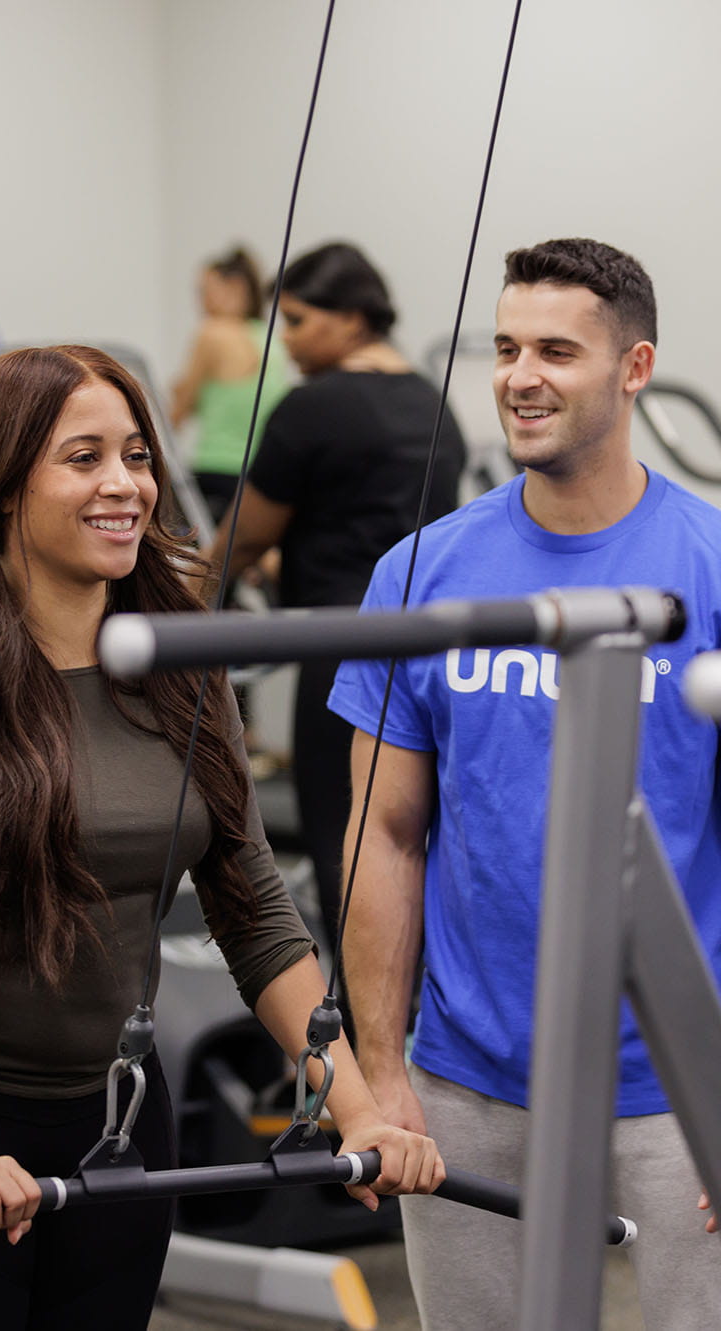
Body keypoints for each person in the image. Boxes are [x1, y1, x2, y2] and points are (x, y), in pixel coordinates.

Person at [0, 344, 444, 1330]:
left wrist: (355, 1102)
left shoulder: (184, 665)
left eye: (137, 454)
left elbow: (257, 911)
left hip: (111, 1117)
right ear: (3, 484)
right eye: (83, 457)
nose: (125, 485)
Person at [333, 238, 721, 1330]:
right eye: (506, 348)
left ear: (633, 367)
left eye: (557, 350)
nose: (520, 375)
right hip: (466, 1076)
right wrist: (379, 1070)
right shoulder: (418, 576)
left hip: (681, 1089)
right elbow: (384, 836)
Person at [200, 240, 466, 936]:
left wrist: (183, 614)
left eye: (297, 321)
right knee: (414, 844)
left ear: (353, 319)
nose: (284, 341)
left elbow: (240, 541)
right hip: (431, 652)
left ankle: (351, 1029)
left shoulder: (312, 407)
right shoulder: (431, 404)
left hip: (342, 655)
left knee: (345, 842)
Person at [168, 245, 287, 524]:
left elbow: (178, 412)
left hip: (216, 470)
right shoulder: (269, 339)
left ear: (234, 287)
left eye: (205, 291)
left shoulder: (213, 332)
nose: (201, 302)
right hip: (258, 475)